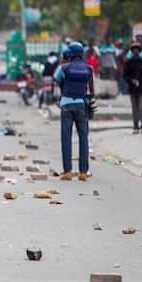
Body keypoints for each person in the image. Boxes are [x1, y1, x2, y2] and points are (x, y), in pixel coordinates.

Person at [54, 42, 94, 180]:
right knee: (83, 138)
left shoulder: (64, 68)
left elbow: (57, 81)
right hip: (82, 105)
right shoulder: (88, 69)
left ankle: (68, 171)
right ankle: (83, 172)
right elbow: (91, 90)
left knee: (66, 138)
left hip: (66, 105)